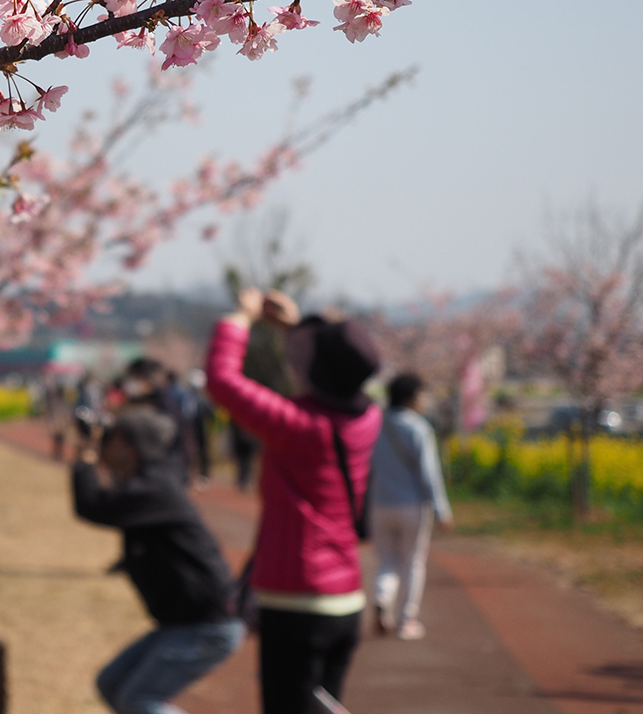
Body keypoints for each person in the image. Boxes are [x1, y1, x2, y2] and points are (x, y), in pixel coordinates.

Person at [205, 289, 382, 714]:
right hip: (344, 599)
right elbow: (329, 372)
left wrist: (240, 320)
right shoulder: (367, 418)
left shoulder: (300, 428)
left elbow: (223, 382)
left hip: (296, 601)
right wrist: (297, 328)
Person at [73, 412, 243, 714]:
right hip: (185, 621)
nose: (103, 446)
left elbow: (92, 504)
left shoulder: (155, 488)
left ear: (132, 446)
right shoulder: (153, 480)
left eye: (111, 439)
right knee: (111, 683)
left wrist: (86, 452)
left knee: (137, 700)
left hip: (207, 626)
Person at [369, 372, 453, 641]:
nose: (424, 400)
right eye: (421, 395)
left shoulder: (374, 425)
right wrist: (441, 509)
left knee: (387, 561)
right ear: (410, 398)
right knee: (413, 562)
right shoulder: (418, 428)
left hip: (379, 504)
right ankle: (407, 620)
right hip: (412, 506)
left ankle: (382, 597)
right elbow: (429, 474)